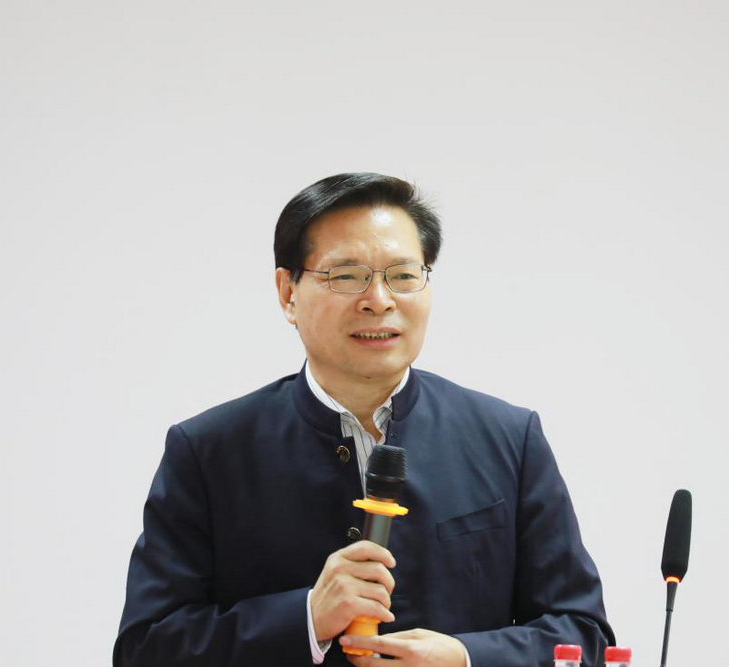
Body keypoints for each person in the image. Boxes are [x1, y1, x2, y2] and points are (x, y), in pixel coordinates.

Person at [113, 173, 615, 666]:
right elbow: (145, 649)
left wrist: (467, 659)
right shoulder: (208, 450)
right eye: (347, 276)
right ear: (288, 293)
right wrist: (306, 619)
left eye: (403, 275)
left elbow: (581, 631)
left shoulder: (509, 438)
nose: (379, 300)